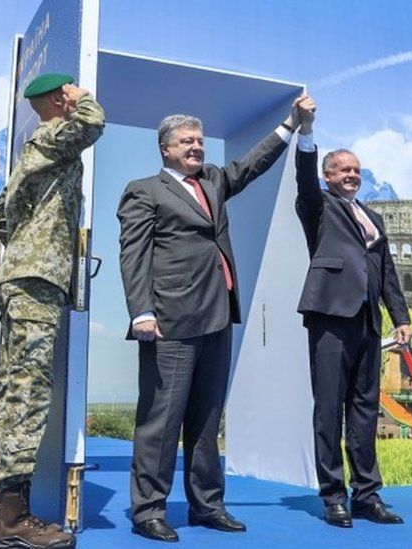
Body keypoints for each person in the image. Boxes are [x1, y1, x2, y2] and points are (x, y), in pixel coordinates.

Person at [117, 96, 305, 542]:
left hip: (218, 317)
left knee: (206, 420)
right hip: (170, 321)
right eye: (187, 141)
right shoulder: (144, 190)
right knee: (160, 422)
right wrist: (141, 311)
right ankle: (148, 511)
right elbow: (133, 254)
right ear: (166, 148)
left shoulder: (215, 182)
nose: (197, 147)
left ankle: (207, 505)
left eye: (200, 140)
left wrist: (290, 124)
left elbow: (252, 165)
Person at [0, 73, 104, 549]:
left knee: (18, 388)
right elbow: (93, 122)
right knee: (29, 390)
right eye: (69, 91)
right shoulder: (55, 134)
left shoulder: (32, 151)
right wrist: (84, 99)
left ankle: (7, 515)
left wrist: (23, 249)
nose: (75, 96)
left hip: (23, 276)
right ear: (60, 99)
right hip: (36, 281)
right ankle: (12, 521)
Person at [293, 98, 411, 528]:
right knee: (328, 409)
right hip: (330, 316)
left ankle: (367, 494)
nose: (353, 175)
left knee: (364, 409)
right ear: (328, 175)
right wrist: (305, 133)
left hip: (368, 322)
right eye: (344, 169)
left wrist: (400, 317)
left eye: (357, 170)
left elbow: (388, 271)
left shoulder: (374, 216)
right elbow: (304, 178)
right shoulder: (317, 205)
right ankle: (332, 497)